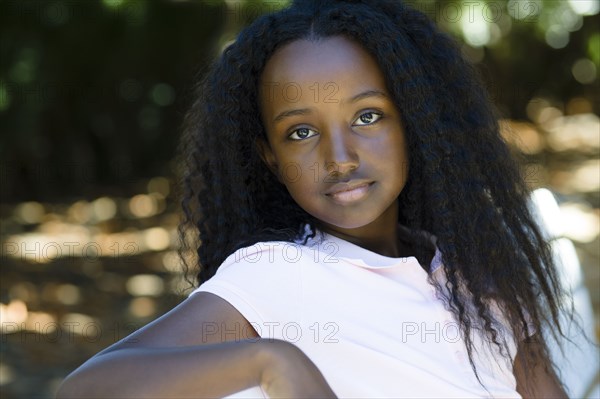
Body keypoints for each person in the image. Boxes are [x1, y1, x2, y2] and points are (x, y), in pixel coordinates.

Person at [57, 0, 572, 397]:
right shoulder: (277, 275)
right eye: (302, 132)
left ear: (411, 122)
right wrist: (271, 360)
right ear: (270, 158)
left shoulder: (478, 274)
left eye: (367, 117)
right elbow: (86, 389)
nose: (340, 158)